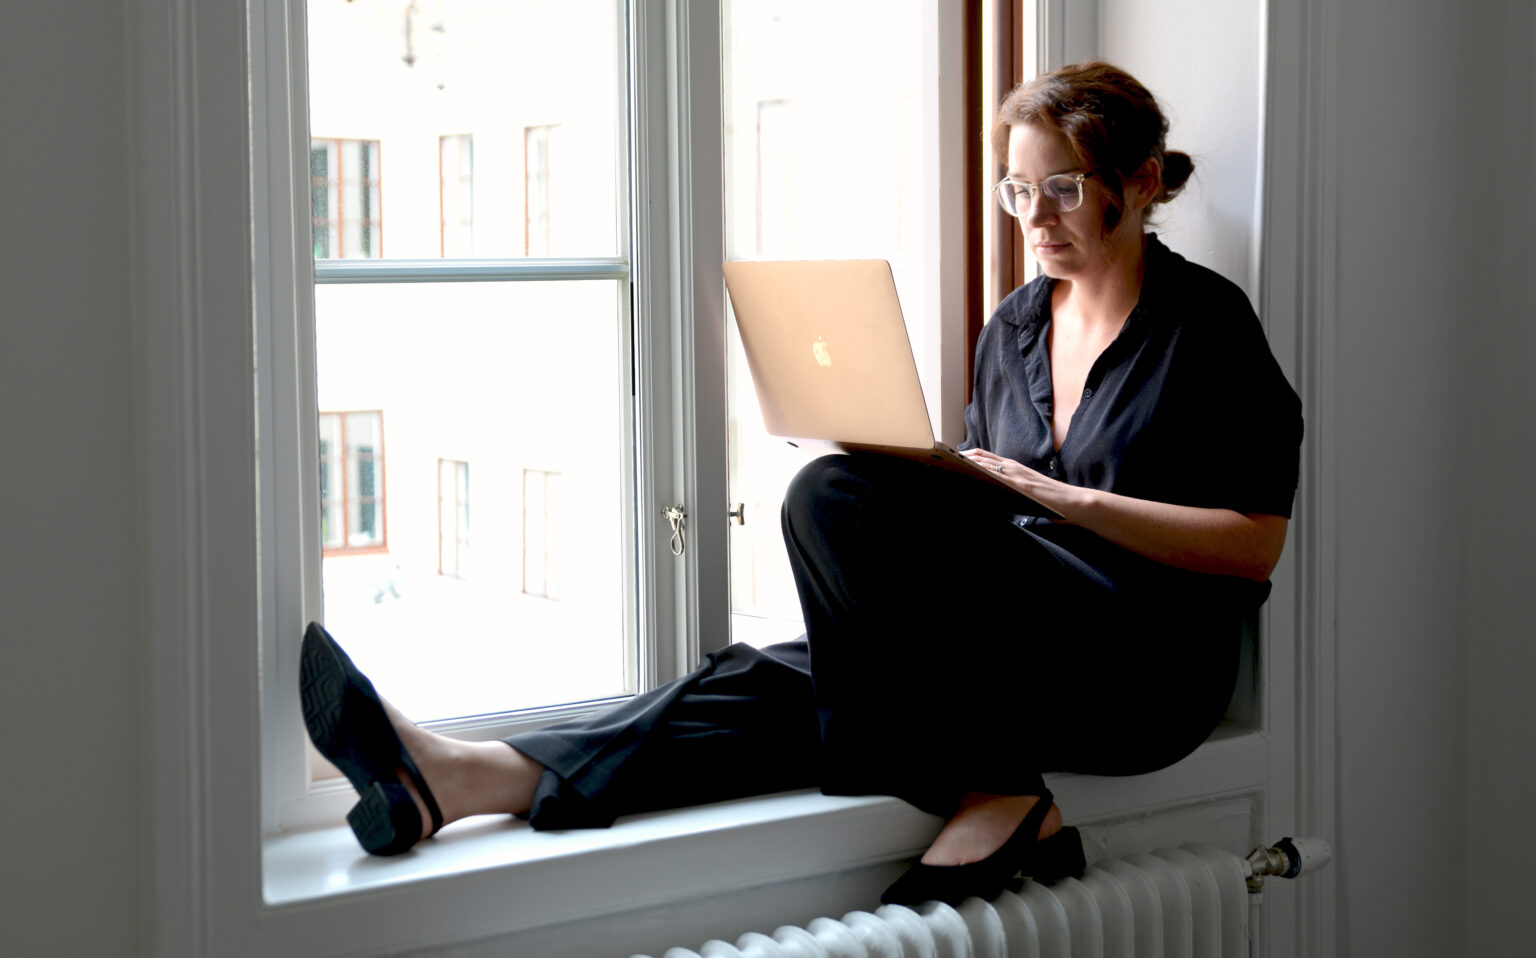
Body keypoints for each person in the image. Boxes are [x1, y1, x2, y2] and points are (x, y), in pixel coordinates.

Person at [300, 60, 1302, 907]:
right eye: (1017, 191)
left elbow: (1256, 540)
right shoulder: (1016, 328)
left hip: (1144, 669)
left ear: (1138, 178)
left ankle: (1002, 789)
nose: (1036, 218)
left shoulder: (1206, 328)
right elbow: (980, 521)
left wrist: (1067, 501)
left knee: (826, 501)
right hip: (1013, 654)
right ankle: (462, 777)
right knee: (776, 673)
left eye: (1067, 190)